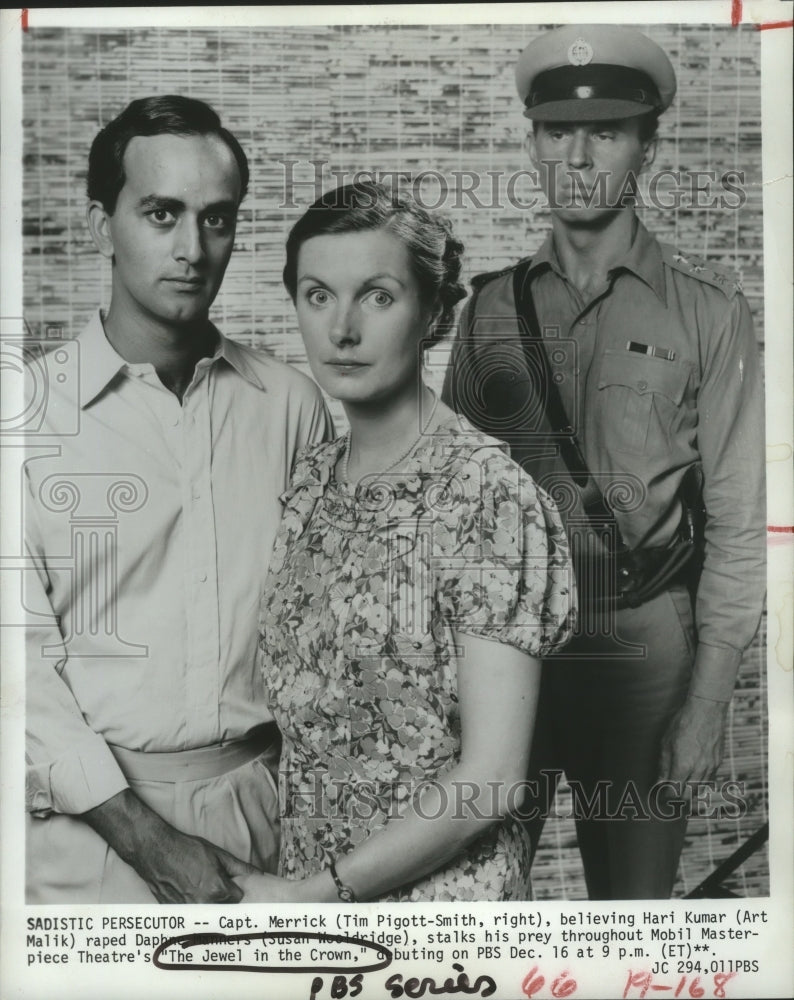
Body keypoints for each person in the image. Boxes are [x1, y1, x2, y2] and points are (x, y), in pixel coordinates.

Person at [442, 25, 766, 899]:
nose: (578, 155)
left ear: (647, 146)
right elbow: (444, 511)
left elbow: (740, 527)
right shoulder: (489, 313)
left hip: (644, 642)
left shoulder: (708, 315)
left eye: (608, 131)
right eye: (556, 131)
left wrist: (706, 703)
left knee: (633, 923)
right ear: (532, 142)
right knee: (483, 905)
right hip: (509, 650)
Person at [24, 95, 332, 903]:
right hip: (86, 839)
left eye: (216, 218)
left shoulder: (290, 406)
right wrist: (145, 837)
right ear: (102, 226)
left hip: (266, 817)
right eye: (161, 213)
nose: (192, 248)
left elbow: (321, 632)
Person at [235, 182, 575, 903]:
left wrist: (315, 894)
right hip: (312, 892)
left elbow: (491, 781)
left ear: (434, 314)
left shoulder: (483, 492)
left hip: (440, 914)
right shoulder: (312, 480)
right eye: (318, 295)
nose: (342, 329)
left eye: (379, 296)